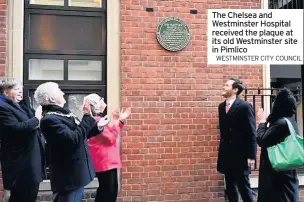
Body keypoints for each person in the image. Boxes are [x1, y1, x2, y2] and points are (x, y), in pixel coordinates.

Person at [34, 82, 109, 202]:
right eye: (58, 90)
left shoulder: (62, 113)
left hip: (74, 174)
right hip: (68, 178)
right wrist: (87, 116)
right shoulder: (49, 120)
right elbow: (73, 139)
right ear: (52, 99)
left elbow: (80, 135)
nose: (63, 92)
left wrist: (97, 127)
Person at [0, 77, 44, 202]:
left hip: (31, 164)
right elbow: (17, 128)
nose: (20, 92)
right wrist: (36, 119)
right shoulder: (2, 107)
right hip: (20, 166)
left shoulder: (20, 104)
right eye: (17, 89)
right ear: (6, 92)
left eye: (21, 89)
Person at [217, 77, 256, 202]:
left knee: (244, 188)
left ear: (235, 90)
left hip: (241, 155)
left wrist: (251, 156)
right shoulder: (221, 107)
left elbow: (251, 132)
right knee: (230, 188)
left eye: (227, 85)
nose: (223, 87)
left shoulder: (244, 106)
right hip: (227, 155)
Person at [86, 93, 131, 202]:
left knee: (106, 190)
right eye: (100, 100)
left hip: (105, 161)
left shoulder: (96, 119)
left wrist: (118, 121)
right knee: (109, 192)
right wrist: (118, 121)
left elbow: (110, 131)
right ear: (95, 105)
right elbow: (110, 138)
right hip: (105, 161)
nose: (103, 101)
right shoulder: (96, 121)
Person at [256, 88, 299, 202]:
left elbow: (262, 140)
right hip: (286, 174)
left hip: (276, 178)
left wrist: (262, 121)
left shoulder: (281, 124)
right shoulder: (291, 121)